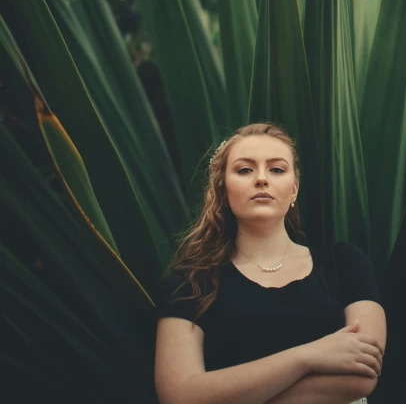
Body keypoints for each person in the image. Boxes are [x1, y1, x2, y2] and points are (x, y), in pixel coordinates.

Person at [154, 122, 387, 404]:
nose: (262, 179)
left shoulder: (346, 265)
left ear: (294, 190)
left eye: (276, 169)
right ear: (223, 189)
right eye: (244, 170)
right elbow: (180, 395)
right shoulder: (189, 283)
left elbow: (361, 375)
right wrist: (308, 356)